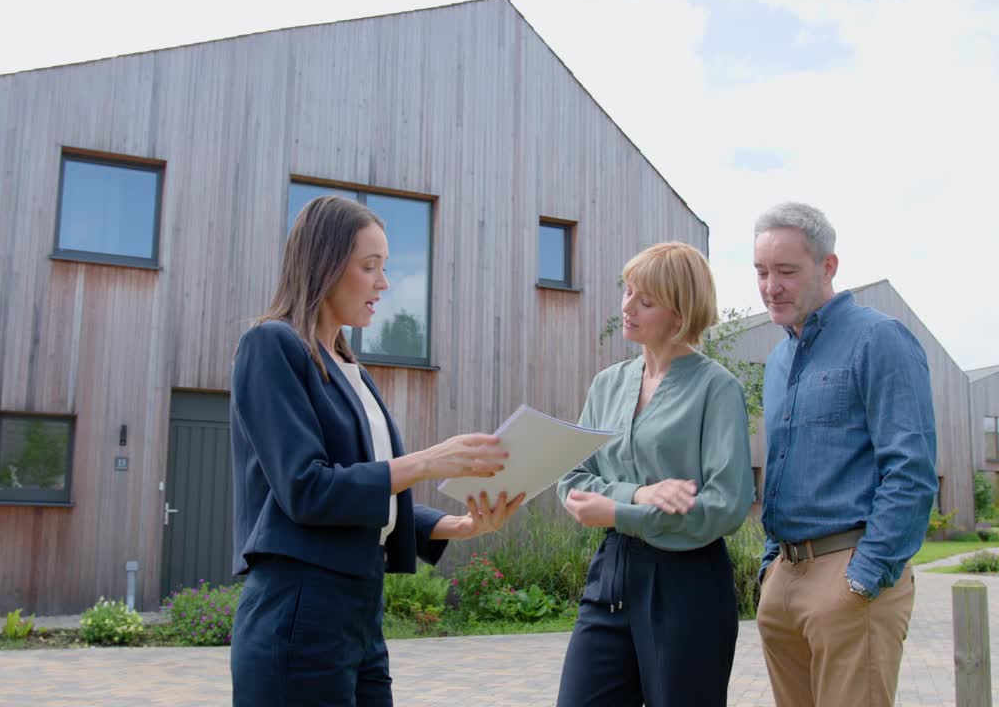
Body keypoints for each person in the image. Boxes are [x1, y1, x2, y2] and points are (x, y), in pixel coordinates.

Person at [229, 195, 526, 706]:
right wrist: (429, 461)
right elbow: (307, 489)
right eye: (370, 267)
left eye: (384, 268)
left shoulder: (351, 370)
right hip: (299, 610)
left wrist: (457, 525)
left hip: (360, 613)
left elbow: (363, 493)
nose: (383, 284)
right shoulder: (271, 345)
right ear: (324, 266)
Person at [752, 202, 937, 707]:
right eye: (762, 271)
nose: (771, 286)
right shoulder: (778, 360)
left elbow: (911, 471)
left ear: (828, 266)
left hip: (850, 577)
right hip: (784, 578)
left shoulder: (879, 339)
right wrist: (772, 568)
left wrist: (864, 575)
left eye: (787, 271)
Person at [555, 242, 753, 707]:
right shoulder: (608, 383)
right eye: (627, 292)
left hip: (687, 585)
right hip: (611, 575)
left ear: (681, 314)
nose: (627, 307)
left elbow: (725, 505)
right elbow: (573, 479)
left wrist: (618, 512)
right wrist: (639, 496)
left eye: (645, 300)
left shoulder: (717, 389)